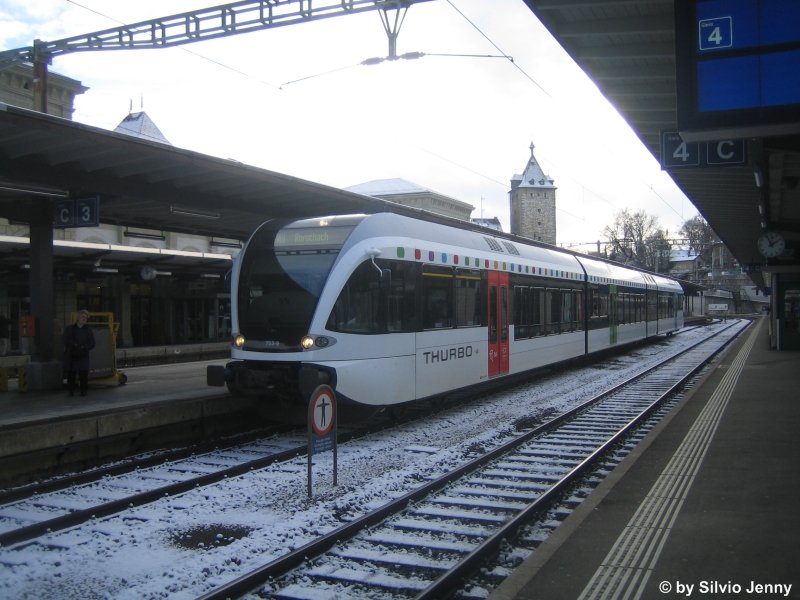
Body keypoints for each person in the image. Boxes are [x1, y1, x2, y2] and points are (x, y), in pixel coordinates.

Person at [63, 310, 95, 396]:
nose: (84, 319)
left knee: (83, 375)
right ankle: (71, 391)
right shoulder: (69, 329)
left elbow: (92, 343)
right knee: (71, 375)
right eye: (83, 317)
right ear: (78, 317)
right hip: (72, 355)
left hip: (83, 355)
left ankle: (83, 391)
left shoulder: (88, 330)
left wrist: (84, 347)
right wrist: (73, 345)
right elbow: (65, 340)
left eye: (86, 318)